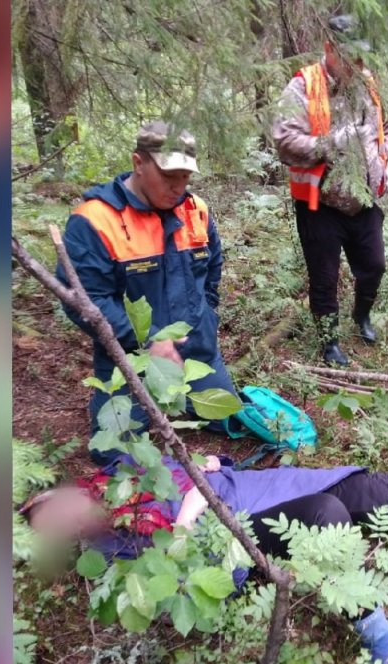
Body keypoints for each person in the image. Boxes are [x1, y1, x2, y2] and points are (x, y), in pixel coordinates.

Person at [20, 454, 388, 664]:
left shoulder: (124, 469)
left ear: (64, 492)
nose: (69, 521)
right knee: (324, 516)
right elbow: (181, 594)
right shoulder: (107, 555)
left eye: (57, 510)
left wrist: (183, 521)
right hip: (251, 534)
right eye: (58, 531)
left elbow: (197, 468)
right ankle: (382, 644)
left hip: (272, 486)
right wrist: (190, 539)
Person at [57, 122, 236, 463]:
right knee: (112, 455)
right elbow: (84, 300)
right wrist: (148, 341)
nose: (179, 187)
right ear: (139, 163)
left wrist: (207, 313)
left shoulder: (196, 209)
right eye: (169, 177)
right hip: (130, 361)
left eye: (185, 177)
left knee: (229, 419)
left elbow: (213, 264)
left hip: (198, 353)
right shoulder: (95, 221)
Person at [272, 14, 388, 367]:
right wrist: (330, 144)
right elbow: (284, 142)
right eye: (349, 56)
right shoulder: (303, 86)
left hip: (364, 199)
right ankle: (329, 342)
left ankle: (362, 315)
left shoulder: (368, 83)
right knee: (325, 277)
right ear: (329, 48)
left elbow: (386, 126)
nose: (356, 65)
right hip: (321, 202)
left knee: (375, 266)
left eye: (361, 57)